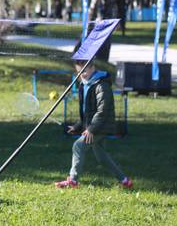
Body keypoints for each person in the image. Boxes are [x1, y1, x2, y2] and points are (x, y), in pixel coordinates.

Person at [55, 56, 132, 190]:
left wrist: (91, 129)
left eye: (85, 71)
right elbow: (87, 113)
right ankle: (125, 181)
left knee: (78, 146)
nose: (82, 74)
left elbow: (102, 111)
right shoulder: (83, 85)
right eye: (79, 72)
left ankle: (73, 181)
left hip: (101, 126)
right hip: (94, 125)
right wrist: (78, 126)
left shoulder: (101, 85)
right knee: (101, 156)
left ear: (93, 68)